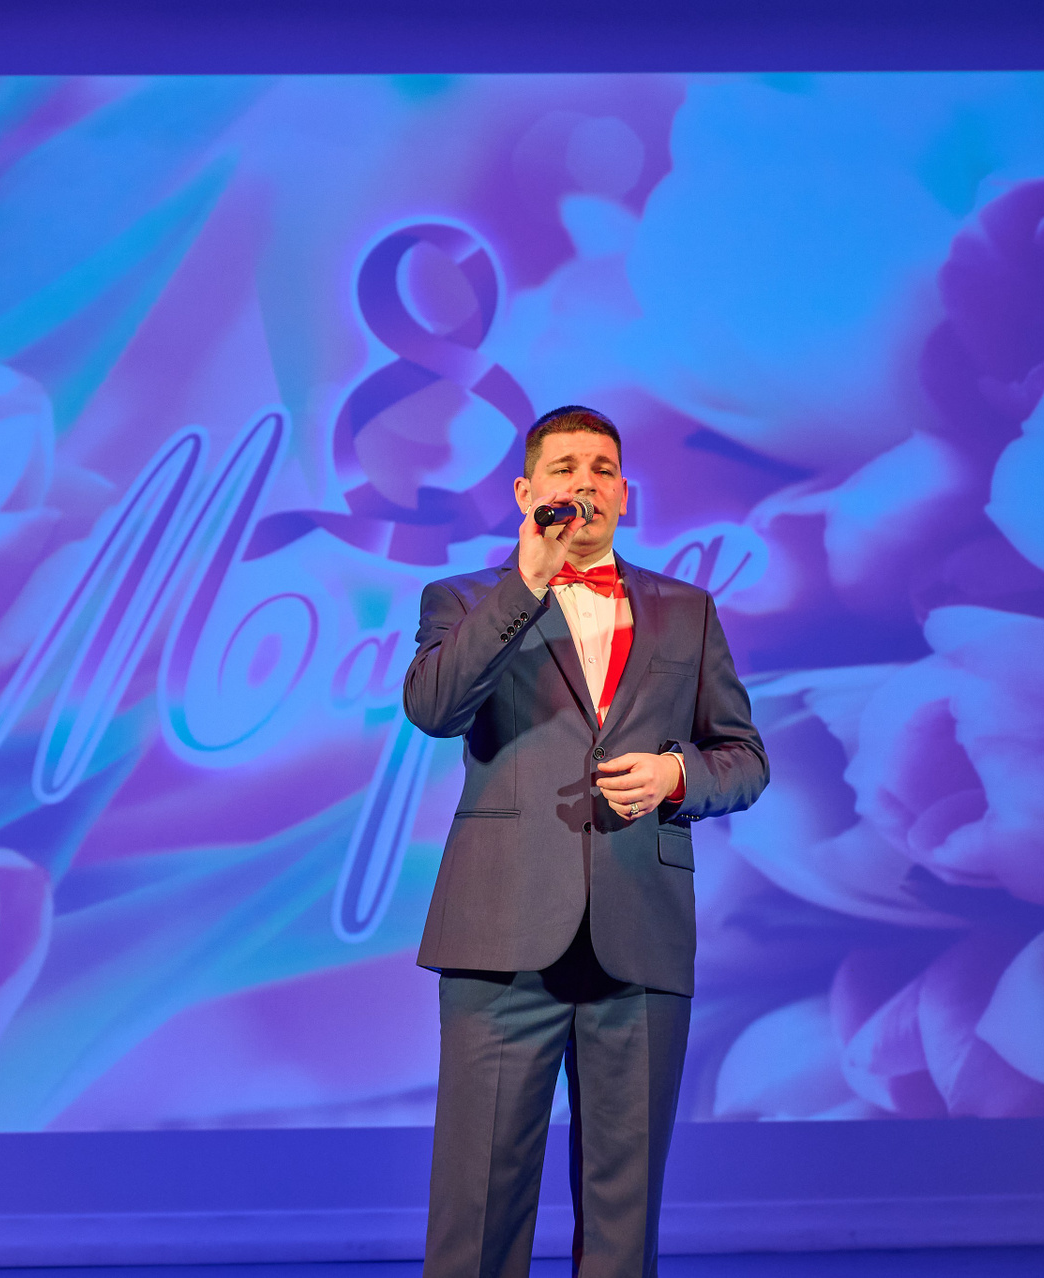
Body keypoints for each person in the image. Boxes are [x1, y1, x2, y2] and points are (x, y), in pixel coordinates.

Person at [402, 405, 769, 1278]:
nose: (585, 484)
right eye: (564, 468)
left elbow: (744, 758)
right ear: (526, 492)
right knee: (478, 1211)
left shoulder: (686, 610)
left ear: (625, 495)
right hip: (500, 938)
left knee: (622, 1220)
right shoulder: (463, 599)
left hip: (639, 934)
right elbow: (434, 709)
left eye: (603, 469)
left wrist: (676, 774)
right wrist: (525, 584)